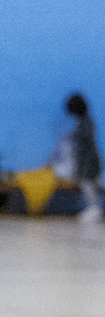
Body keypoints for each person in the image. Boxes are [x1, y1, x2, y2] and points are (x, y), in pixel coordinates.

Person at [63, 93, 101, 224]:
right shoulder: (83, 120)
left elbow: (86, 141)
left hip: (88, 158)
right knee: (88, 184)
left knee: (88, 183)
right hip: (86, 157)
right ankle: (92, 208)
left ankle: (94, 208)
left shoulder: (85, 121)